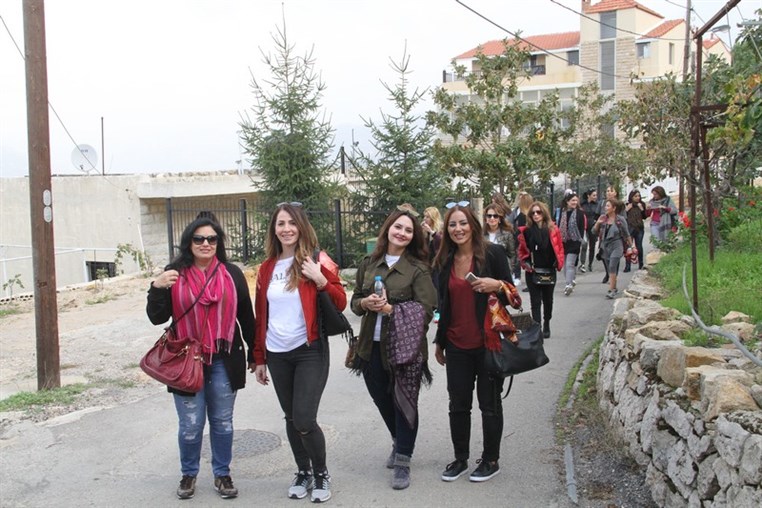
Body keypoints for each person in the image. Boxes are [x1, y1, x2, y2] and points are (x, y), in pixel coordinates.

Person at [146, 216, 255, 500]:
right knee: (191, 425)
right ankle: (188, 474)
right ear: (188, 243)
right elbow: (156, 317)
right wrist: (157, 288)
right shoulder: (174, 273)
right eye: (199, 239)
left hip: (224, 358)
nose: (206, 244)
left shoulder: (232, 274)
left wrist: (256, 353)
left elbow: (246, 316)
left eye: (212, 239)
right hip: (186, 360)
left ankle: (222, 473)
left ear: (218, 243)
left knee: (222, 422)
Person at [252, 202, 346, 503]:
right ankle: (302, 471)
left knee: (304, 418)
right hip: (277, 353)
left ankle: (321, 474)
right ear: (274, 229)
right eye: (280, 223)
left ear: (301, 226)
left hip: (309, 350)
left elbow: (341, 301)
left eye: (292, 223)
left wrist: (319, 279)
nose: (286, 229)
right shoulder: (267, 268)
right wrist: (259, 358)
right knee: (291, 417)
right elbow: (260, 315)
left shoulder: (317, 260)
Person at [350, 209, 437, 490]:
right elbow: (355, 302)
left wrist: (390, 309)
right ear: (388, 228)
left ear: (414, 237)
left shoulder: (418, 269)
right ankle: (400, 440)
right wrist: (365, 304)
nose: (401, 233)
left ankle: (403, 460)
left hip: (404, 349)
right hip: (369, 347)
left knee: (404, 401)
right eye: (398, 227)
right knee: (381, 398)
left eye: (408, 230)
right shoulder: (368, 263)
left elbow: (427, 311)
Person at [433, 202, 515, 483]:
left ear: (473, 225)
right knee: (458, 404)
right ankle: (460, 459)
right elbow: (444, 305)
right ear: (447, 230)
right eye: (453, 225)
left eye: (463, 223)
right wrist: (439, 342)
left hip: (488, 343)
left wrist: (498, 285)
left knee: (489, 404)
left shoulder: (493, 253)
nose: (458, 229)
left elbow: (514, 296)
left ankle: (491, 459)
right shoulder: (444, 260)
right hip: (456, 345)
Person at [517, 201, 564, 338]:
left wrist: (558, 262)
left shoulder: (553, 230)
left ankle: (547, 322)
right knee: (535, 301)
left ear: (544, 213)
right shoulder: (526, 232)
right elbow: (521, 251)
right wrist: (525, 263)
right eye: (533, 213)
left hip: (549, 269)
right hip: (533, 270)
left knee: (548, 300)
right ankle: (537, 328)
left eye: (538, 212)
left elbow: (560, 248)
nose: (536, 215)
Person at [592, 199, 634, 299]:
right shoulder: (603, 218)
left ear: (614, 208)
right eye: (605, 206)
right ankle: (614, 288)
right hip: (605, 246)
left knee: (612, 266)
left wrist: (631, 247)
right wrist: (598, 223)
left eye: (608, 206)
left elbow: (627, 234)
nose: (605, 208)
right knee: (609, 267)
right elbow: (594, 232)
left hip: (617, 245)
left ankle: (611, 290)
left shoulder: (620, 219)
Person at [557, 192, 586, 296]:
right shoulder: (561, 212)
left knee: (570, 263)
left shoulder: (580, 213)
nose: (574, 202)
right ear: (567, 201)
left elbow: (582, 229)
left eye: (576, 200)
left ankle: (568, 284)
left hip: (574, 241)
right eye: (572, 200)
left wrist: (579, 241)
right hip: (564, 242)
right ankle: (571, 280)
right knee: (566, 264)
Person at [483, 203, 518, 276]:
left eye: (495, 216)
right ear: (486, 218)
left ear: (499, 219)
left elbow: (512, 255)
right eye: (489, 216)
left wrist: (510, 270)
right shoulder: (480, 234)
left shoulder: (507, 234)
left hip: (502, 271)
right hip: (485, 272)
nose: (492, 218)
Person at [509, 192, 534, 290]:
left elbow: (521, 228)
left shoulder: (525, 215)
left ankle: (530, 283)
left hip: (524, 240)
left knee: (525, 260)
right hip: (523, 239)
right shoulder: (526, 213)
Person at [598, 186, 620, 284]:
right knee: (604, 255)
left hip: (616, 235)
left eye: (611, 191)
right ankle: (608, 273)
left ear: (615, 193)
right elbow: (597, 215)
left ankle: (613, 277)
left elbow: (623, 219)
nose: (609, 193)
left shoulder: (619, 204)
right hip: (604, 232)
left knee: (615, 257)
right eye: (607, 191)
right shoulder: (602, 203)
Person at [625, 190, 646, 271]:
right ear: (631, 197)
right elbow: (623, 216)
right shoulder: (627, 205)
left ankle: (641, 264)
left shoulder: (641, 204)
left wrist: (642, 209)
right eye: (635, 196)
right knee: (629, 247)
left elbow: (645, 217)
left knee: (639, 246)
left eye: (638, 196)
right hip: (629, 228)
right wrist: (627, 210)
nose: (638, 198)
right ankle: (628, 266)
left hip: (639, 228)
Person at [580, 189, 599, 273]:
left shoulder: (597, 205)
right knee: (584, 244)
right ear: (588, 195)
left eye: (596, 195)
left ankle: (590, 264)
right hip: (584, 227)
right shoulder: (582, 204)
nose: (595, 197)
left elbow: (598, 215)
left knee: (592, 246)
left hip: (593, 227)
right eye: (593, 195)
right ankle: (582, 263)